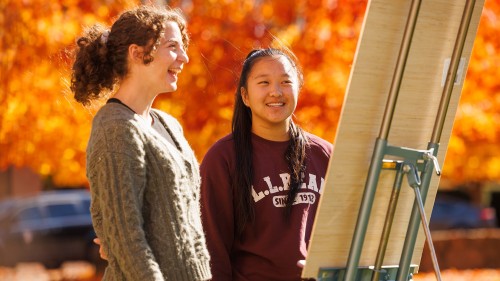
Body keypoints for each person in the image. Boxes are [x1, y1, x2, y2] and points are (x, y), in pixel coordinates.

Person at [71, 5, 211, 281]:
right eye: (173, 46)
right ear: (137, 54)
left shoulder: (169, 125)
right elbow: (125, 240)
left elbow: (186, 222)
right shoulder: (115, 128)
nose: (184, 57)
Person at [200, 47, 333, 281]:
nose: (276, 92)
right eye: (264, 83)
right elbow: (212, 251)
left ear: (298, 89)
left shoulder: (325, 155)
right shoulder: (222, 158)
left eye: (285, 82)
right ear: (245, 96)